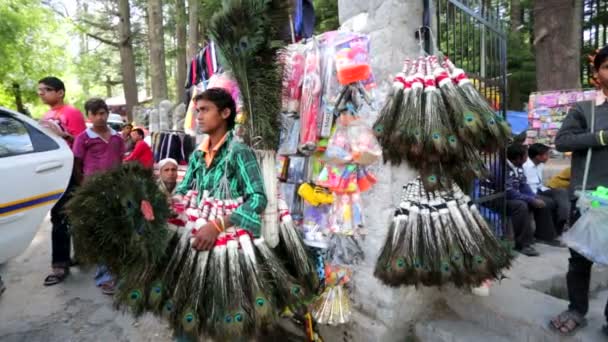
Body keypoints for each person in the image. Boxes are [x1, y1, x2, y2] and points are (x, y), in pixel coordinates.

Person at [550, 45, 608, 337]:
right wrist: (599, 137)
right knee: (579, 261)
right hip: (587, 197)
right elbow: (561, 142)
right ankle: (576, 310)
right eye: (607, 66)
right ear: (597, 73)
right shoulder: (584, 109)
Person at [175, 87, 267, 250]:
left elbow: (257, 198)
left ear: (225, 113)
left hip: (230, 244)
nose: (199, 117)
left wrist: (218, 225)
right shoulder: (198, 155)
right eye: (197, 111)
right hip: (197, 235)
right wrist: (174, 201)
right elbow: (184, 188)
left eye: (205, 110)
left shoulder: (239, 152)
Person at [72, 98, 125, 295]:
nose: (101, 117)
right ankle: (104, 276)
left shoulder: (117, 138)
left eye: (104, 113)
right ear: (89, 116)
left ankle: (116, 271)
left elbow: (120, 161)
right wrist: (83, 186)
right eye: (96, 114)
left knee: (116, 230)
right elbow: (77, 164)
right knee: (102, 232)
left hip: (115, 190)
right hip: (93, 191)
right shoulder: (83, 138)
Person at [38, 76, 87, 286]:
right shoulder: (45, 115)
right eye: (39, 90)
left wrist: (64, 135)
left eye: (46, 90)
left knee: (65, 215)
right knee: (60, 216)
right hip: (53, 172)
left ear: (60, 92)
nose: (41, 93)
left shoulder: (72, 113)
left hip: (71, 172)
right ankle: (67, 258)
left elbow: (83, 144)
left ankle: (61, 264)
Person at [505, 144, 558, 256]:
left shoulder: (518, 166)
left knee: (539, 203)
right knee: (521, 205)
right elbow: (509, 192)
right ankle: (522, 244)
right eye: (525, 156)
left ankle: (543, 236)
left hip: (512, 196)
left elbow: (524, 185)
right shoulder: (504, 168)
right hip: (498, 198)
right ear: (518, 158)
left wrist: (533, 198)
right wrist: (531, 199)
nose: (527, 158)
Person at [523, 143, 571, 236]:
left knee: (561, 191)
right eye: (546, 155)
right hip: (531, 192)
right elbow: (525, 186)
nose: (548, 157)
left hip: (541, 189)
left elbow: (540, 185)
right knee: (549, 203)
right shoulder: (526, 166)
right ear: (538, 156)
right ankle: (546, 235)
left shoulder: (540, 165)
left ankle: (563, 217)